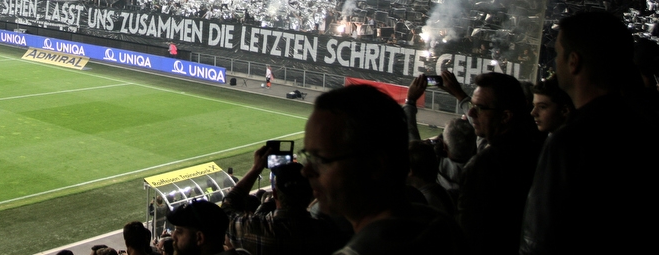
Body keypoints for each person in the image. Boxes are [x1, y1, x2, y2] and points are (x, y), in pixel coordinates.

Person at [520, 12, 659, 254]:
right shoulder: (643, 128)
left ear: (574, 61)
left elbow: (540, 240)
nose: (554, 62)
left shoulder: (569, 142)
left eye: (558, 54)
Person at [300, 84, 467, 254]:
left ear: (375, 166)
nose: (306, 171)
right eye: (308, 155)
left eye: (321, 159)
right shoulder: (443, 226)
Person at [456, 72, 542, 255]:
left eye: (480, 108)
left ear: (505, 116)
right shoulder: (538, 148)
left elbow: (471, 237)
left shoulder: (483, 166)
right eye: (472, 105)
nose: (471, 113)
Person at [221, 144, 347, 255]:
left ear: (275, 193)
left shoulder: (255, 229)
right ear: (311, 194)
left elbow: (227, 207)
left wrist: (256, 168)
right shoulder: (327, 231)